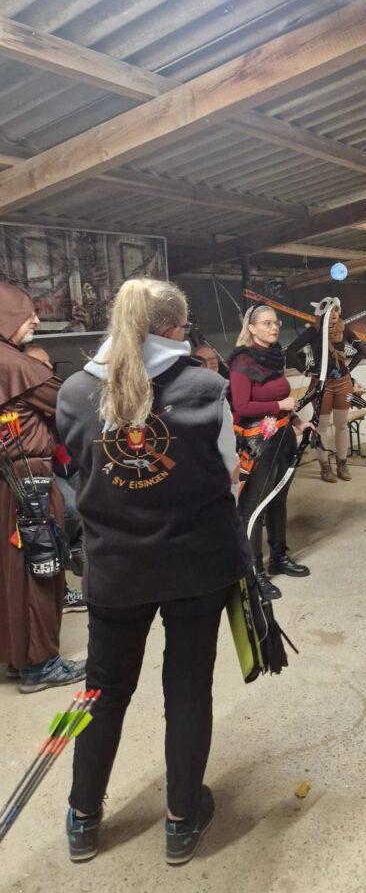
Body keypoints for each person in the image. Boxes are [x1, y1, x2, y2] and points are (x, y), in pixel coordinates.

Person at [56, 278, 247, 865]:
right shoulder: (205, 386)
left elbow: (81, 469)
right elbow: (227, 473)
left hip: (115, 568)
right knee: (187, 687)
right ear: (172, 329)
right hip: (194, 565)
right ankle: (181, 821)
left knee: (100, 691)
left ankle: (82, 817)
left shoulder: (74, 391)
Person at [0, 284, 86, 693]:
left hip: (9, 486)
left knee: (15, 572)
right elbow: (70, 402)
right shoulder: (16, 365)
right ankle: (41, 664)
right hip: (29, 485)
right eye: (26, 313)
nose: (36, 319)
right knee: (42, 569)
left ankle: (21, 658)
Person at [228, 304, 312, 601]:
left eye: (276, 323)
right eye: (266, 323)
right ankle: (254, 572)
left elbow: (283, 402)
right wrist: (279, 406)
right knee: (254, 507)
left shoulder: (274, 357)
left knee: (278, 499)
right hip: (258, 442)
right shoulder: (242, 361)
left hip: (283, 436)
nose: (273, 327)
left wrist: (299, 422)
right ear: (251, 328)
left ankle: (279, 557)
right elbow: (241, 406)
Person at [25, 344, 86, 611]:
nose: (48, 367)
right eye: (41, 363)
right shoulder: (28, 396)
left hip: (73, 465)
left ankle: (83, 548)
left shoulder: (57, 390)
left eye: (49, 362)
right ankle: (73, 546)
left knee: (97, 494)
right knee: (70, 506)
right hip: (46, 471)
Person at [285, 298, 365, 483]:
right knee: (321, 427)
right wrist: (305, 371)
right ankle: (325, 467)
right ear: (322, 313)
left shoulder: (344, 329)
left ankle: (342, 465)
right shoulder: (314, 331)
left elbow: (361, 349)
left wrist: (348, 369)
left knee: (341, 424)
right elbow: (290, 352)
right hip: (322, 385)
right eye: (331, 310)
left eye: (337, 309)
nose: (335, 313)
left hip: (343, 383)